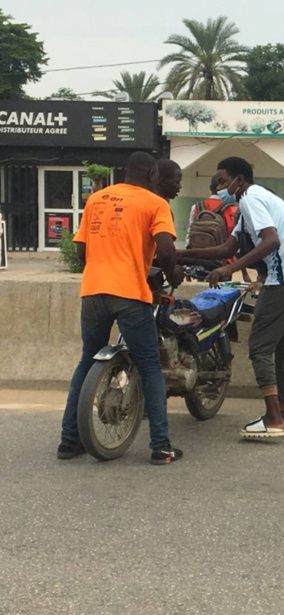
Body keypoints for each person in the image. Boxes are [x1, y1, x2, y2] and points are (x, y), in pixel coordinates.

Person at [179, 157, 284, 439]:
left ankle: (273, 418)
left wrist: (230, 269)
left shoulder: (250, 198)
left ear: (240, 180)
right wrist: (181, 255)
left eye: (223, 180)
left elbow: (271, 241)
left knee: (260, 345)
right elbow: (226, 248)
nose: (219, 186)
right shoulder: (250, 206)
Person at [57, 152, 184, 465]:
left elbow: (82, 249)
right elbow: (166, 248)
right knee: (149, 365)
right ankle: (161, 447)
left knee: (87, 360)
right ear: (152, 175)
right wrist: (172, 274)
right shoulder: (156, 204)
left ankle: (69, 442)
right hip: (129, 294)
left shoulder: (97, 198)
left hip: (93, 291)